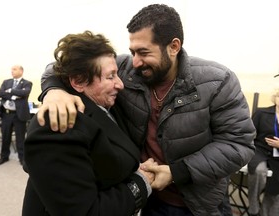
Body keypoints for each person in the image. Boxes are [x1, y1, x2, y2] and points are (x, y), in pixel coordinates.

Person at [38, 4, 256, 216]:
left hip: (201, 205)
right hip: (148, 199)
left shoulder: (217, 81)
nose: (135, 62)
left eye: (143, 52)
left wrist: (175, 173)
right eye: (132, 51)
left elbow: (238, 143)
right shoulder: (126, 70)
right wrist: (54, 90)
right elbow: (66, 65)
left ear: (174, 47)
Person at [22, 30, 156, 216]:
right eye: (110, 77)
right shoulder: (58, 127)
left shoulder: (104, 105)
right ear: (79, 81)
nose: (120, 84)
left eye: (117, 74)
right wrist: (142, 182)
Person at [247, 89, 279, 216]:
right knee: (258, 171)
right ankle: (253, 208)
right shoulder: (262, 113)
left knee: (275, 189)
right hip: (260, 150)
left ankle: (268, 213)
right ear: (275, 97)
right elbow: (248, 134)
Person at [0, 65, 32, 166]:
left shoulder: (27, 83)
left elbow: (25, 93)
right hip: (6, 114)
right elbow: (0, 93)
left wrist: (10, 91)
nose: (12, 71)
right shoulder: (6, 82)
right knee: (5, 137)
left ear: (21, 71)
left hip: (19, 115)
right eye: (11, 69)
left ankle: (22, 159)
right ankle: (4, 157)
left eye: (14, 69)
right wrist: (15, 96)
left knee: (20, 138)